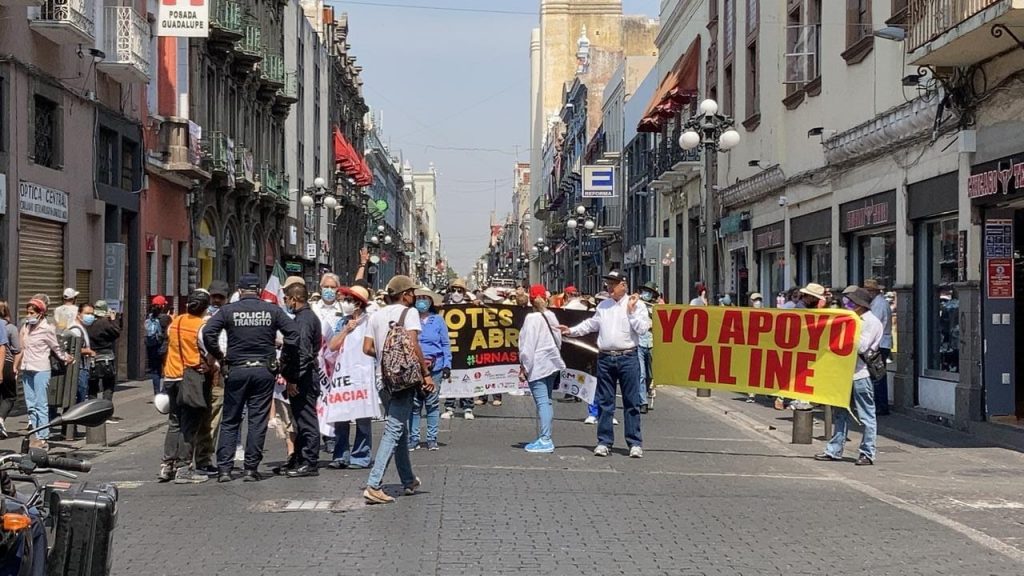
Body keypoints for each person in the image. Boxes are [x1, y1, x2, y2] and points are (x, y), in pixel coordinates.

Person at [202, 273, 299, 483]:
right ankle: (250, 469)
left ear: (239, 290)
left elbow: (208, 332)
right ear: (258, 290)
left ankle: (225, 469)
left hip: (236, 368)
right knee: (257, 420)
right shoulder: (272, 310)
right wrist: (285, 360)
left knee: (230, 420)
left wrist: (219, 355)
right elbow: (293, 333)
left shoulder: (228, 310)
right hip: (264, 370)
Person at [559, 271, 650, 458]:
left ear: (623, 285)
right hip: (606, 357)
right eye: (608, 283)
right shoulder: (603, 306)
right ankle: (604, 441)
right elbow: (591, 325)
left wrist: (631, 312)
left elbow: (642, 329)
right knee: (605, 401)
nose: (609, 287)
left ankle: (634, 442)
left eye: (613, 284)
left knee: (631, 401)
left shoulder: (637, 305)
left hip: (628, 356)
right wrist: (571, 331)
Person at [362, 275, 435, 504]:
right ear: (404, 295)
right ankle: (374, 484)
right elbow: (413, 345)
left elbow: (367, 348)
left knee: (400, 428)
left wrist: (387, 358)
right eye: (412, 293)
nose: (414, 297)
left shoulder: (375, 316)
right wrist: (425, 373)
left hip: (382, 379)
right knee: (393, 429)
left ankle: (408, 480)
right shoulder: (409, 313)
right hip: (404, 379)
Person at [815, 287, 882, 466]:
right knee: (840, 414)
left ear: (861, 305)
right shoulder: (851, 319)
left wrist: (849, 329)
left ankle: (867, 453)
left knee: (866, 415)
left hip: (860, 374)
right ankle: (834, 449)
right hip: (843, 374)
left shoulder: (871, 322)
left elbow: (861, 347)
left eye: (852, 303)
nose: (848, 306)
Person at [158, 290, 212, 484]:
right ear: (205, 308)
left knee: (174, 421)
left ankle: (167, 465)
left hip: (171, 375)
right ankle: (183, 468)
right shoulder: (202, 326)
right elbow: (208, 349)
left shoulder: (176, 321)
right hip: (190, 378)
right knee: (189, 423)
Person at [327, 285, 376, 469]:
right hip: (343, 376)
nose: (345, 303)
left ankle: (361, 456)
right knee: (341, 416)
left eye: (349, 300)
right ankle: (340, 455)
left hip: (363, 376)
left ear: (358, 304)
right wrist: (346, 330)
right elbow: (332, 346)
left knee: (363, 418)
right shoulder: (342, 323)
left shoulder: (370, 322)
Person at [278, 282, 323, 477]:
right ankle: (299, 458)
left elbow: (302, 353)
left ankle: (309, 460)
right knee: (298, 419)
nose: (285, 302)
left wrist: (294, 379)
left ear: (295, 299)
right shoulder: (301, 318)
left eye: (287, 298)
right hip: (301, 375)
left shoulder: (304, 320)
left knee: (306, 420)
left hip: (304, 378)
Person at [15, 298, 72, 449]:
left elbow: (56, 347)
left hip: (41, 369)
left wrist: (66, 358)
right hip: (27, 368)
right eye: (27, 312)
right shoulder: (26, 327)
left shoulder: (47, 329)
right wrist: (16, 366)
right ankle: (35, 433)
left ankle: (43, 437)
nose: (29, 315)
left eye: (32, 313)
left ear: (41, 313)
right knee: (31, 405)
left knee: (41, 404)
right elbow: (21, 348)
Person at [519, 284, 565, 453]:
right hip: (551, 364)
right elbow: (559, 340)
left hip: (537, 365)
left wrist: (524, 366)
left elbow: (527, 345)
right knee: (547, 400)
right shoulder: (551, 316)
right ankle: (546, 436)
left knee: (541, 401)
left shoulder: (531, 319)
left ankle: (545, 438)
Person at [194, 280, 230, 476]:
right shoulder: (199, 317)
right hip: (202, 372)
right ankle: (196, 458)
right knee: (201, 417)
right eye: (213, 296)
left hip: (221, 372)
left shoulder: (229, 316)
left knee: (214, 417)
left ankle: (204, 458)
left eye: (220, 297)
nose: (216, 300)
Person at [409, 288, 449, 451]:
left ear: (431, 302)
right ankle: (414, 438)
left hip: (436, 366)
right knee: (415, 404)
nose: (422, 302)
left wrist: (447, 364)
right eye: (419, 299)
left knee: (432, 403)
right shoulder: (410, 319)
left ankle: (432, 438)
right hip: (415, 367)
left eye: (425, 299)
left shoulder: (438, 320)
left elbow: (445, 344)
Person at [442, 280, 475, 420]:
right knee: (450, 377)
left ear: (464, 292)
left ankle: (468, 407)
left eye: (459, 291)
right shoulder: (445, 308)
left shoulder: (470, 307)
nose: (456, 293)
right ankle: (449, 406)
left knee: (468, 377)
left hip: (467, 349)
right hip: (450, 349)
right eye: (453, 290)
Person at [864, 278, 893, 415]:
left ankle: (881, 405)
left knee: (878, 375)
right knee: (878, 375)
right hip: (881, 342)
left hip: (880, 343)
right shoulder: (878, 303)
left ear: (872, 292)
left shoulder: (878, 304)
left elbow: (873, 325)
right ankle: (880, 404)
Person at [86, 300, 121, 402]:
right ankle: (106, 408)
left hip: (92, 358)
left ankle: (92, 409)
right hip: (107, 358)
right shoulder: (105, 323)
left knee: (92, 386)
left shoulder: (88, 323)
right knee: (108, 385)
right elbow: (116, 333)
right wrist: (114, 320)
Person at [65, 304, 96, 404]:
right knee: (79, 396)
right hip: (78, 368)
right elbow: (71, 349)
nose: (90, 316)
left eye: (92, 314)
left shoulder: (82, 328)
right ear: (79, 315)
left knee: (81, 396)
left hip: (83, 367)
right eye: (87, 313)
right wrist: (87, 351)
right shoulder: (75, 330)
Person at [637, 282, 660, 413]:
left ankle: (645, 392)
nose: (646, 294)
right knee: (641, 374)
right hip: (639, 342)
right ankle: (642, 402)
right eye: (644, 291)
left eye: (649, 291)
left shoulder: (656, 308)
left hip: (652, 343)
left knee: (650, 375)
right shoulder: (637, 305)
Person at [145, 296, 173, 395]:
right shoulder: (166, 318)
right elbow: (170, 333)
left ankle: (156, 392)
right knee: (167, 370)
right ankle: (164, 391)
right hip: (164, 347)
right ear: (163, 306)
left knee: (155, 371)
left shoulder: (149, 317)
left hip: (151, 347)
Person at [0, 302, 20, 437]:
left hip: (4, 365)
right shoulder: (10, 327)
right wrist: (14, 367)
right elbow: (17, 350)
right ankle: (1, 419)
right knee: (10, 396)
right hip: (6, 364)